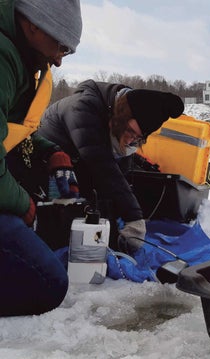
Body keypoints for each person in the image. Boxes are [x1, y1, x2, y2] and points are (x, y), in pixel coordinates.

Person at [0, 0, 82, 316]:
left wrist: (51, 152)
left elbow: (16, 127)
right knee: (48, 283)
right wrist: (22, 204)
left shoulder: (23, 56)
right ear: (33, 23)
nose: (60, 61)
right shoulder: (4, 57)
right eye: (61, 45)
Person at [37, 80, 185, 254]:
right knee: (58, 234)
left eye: (138, 137)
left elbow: (117, 181)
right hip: (45, 170)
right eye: (130, 131)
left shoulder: (121, 134)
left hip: (79, 165)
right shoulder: (82, 108)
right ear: (121, 115)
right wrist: (134, 218)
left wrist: (116, 231)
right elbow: (102, 166)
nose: (130, 140)